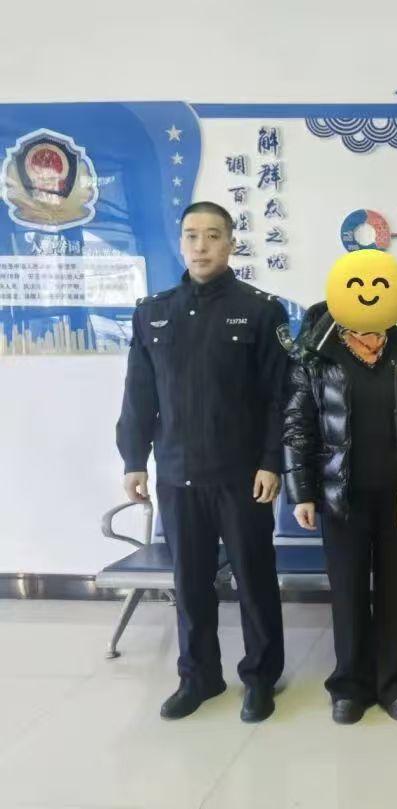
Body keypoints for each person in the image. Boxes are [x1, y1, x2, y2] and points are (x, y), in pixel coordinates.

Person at [117, 201, 287, 723]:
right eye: (192, 235)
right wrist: (133, 459)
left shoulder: (260, 310)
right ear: (181, 243)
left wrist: (271, 461)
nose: (201, 245)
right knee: (189, 584)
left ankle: (260, 678)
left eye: (213, 235)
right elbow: (139, 394)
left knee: (254, 581)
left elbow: (278, 398)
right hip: (177, 473)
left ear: (231, 243)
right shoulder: (153, 312)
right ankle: (199, 677)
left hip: (242, 475)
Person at [283, 250, 397, 725]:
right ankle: (350, 685)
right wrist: (303, 492)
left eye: (378, 285)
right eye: (358, 285)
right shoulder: (316, 347)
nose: (368, 294)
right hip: (339, 496)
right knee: (348, 592)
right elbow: (297, 423)